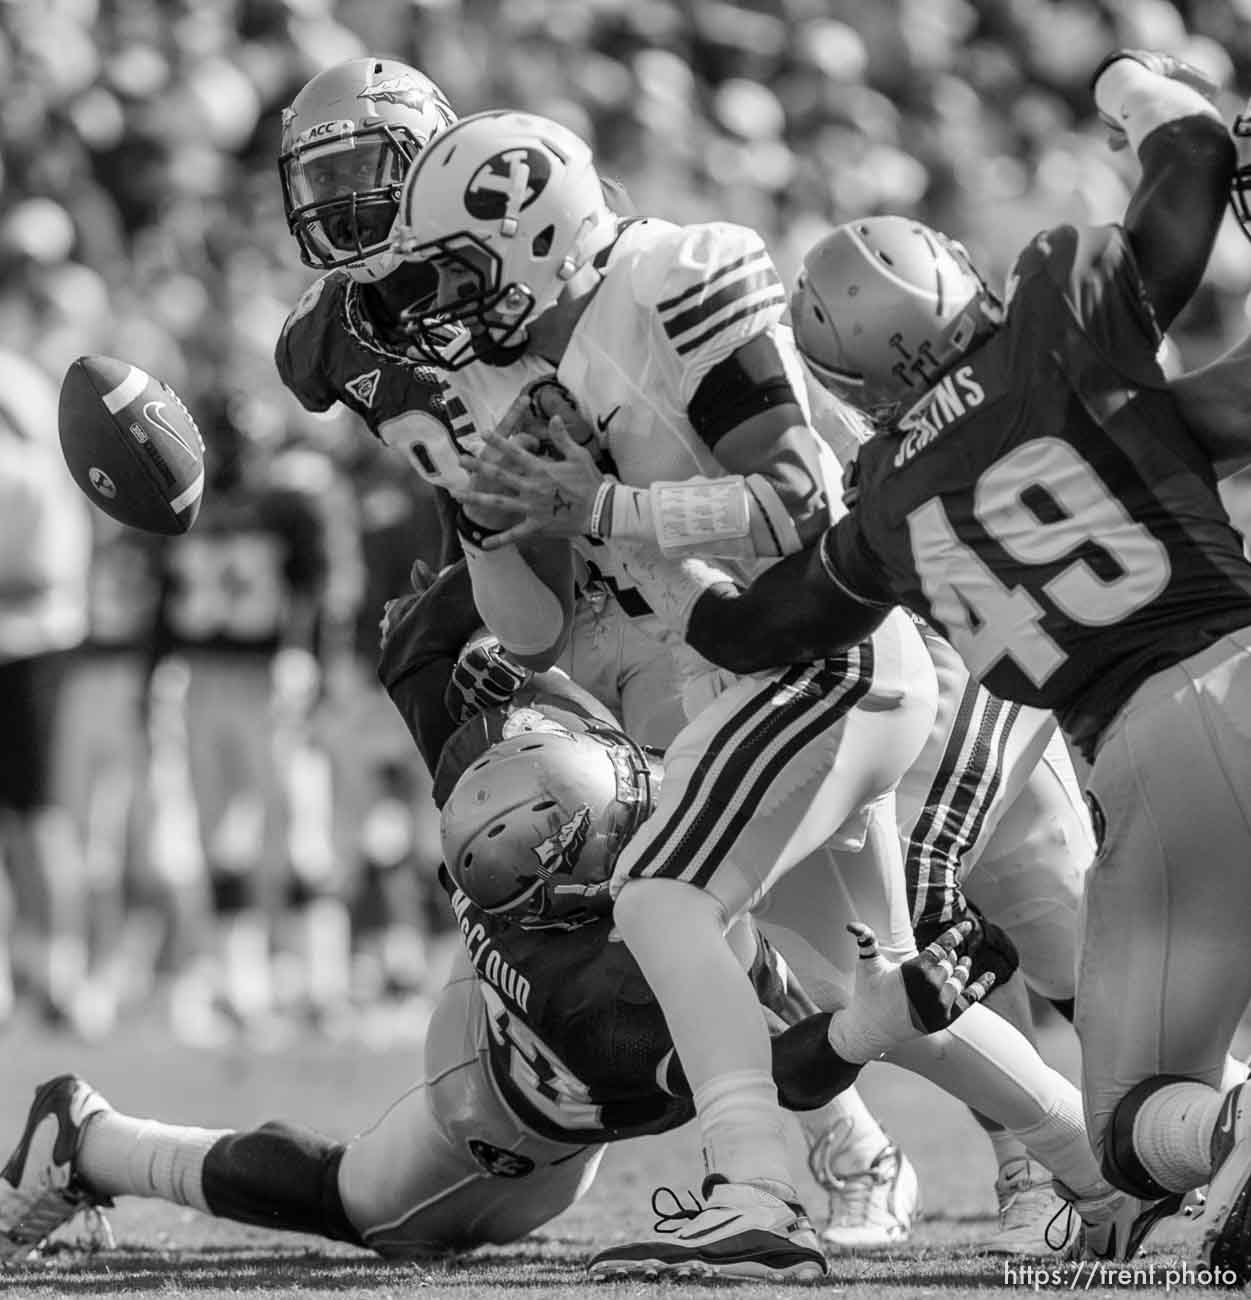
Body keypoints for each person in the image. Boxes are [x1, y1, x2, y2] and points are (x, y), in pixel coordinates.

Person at [390, 109, 1145, 1279]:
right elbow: (534, 627)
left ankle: (756, 1190)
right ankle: (1115, 1179)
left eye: (456, 268)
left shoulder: (672, 276)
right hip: (739, 679)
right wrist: (494, 526)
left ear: (531, 233)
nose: (445, 299)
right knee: (866, 986)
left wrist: (603, 511)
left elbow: (798, 498)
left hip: (816, 652)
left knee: (657, 893)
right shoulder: (505, 373)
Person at [554, 49, 1251, 1277]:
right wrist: (1136, 83)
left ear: (842, 385)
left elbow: (752, 631)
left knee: (1134, 1129)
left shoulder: (882, 497)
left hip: (1146, 747)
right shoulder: (1054, 311)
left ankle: (1231, 1136)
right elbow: (1192, 164)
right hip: (1240, 659)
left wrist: (617, 518)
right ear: (956, 280)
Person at [0, 562, 989, 1268]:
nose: (639, 797)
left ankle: (864, 1152)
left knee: (737, 907)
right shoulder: (592, 993)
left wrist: (496, 565)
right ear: (571, 878)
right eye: (614, 819)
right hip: (520, 1110)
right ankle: (91, 1140)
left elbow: (412, 645)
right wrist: (880, 1018)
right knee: (364, 1207)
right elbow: (758, 1072)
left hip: (533, 1007)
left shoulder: (485, 765)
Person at [275, 59, 689, 752]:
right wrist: (461, 567)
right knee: (420, 652)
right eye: (325, 178)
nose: (341, 201)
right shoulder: (324, 339)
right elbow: (453, 461)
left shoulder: (517, 247)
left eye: (362, 170)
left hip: (637, 544)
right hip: (517, 553)